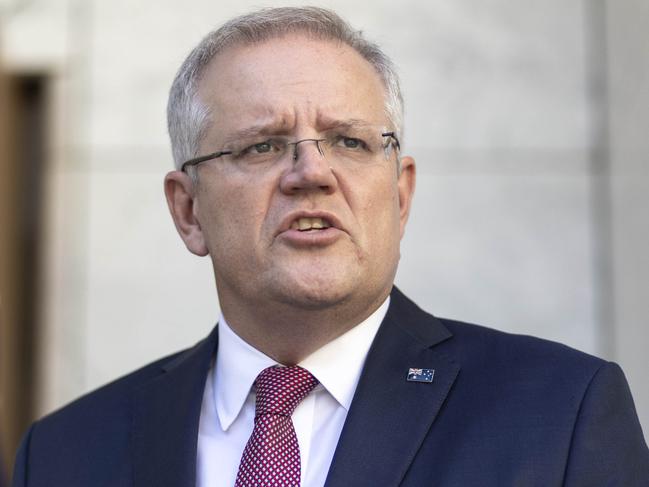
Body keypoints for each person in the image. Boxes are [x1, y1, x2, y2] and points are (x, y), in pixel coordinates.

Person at [11, 7, 649, 487]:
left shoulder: (561, 414)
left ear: (400, 196)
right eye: (261, 145)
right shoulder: (66, 454)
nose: (310, 173)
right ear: (188, 211)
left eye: (349, 141)